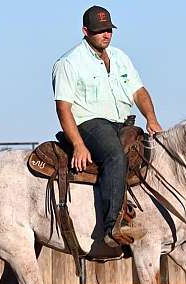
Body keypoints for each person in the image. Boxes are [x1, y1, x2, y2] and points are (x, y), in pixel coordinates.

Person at [52, 5, 162, 247]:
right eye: (100, 30)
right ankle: (114, 225)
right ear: (85, 31)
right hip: (89, 124)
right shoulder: (69, 63)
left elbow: (139, 92)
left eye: (109, 29)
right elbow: (63, 108)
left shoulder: (121, 58)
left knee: (152, 153)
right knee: (114, 155)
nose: (106, 34)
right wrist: (78, 144)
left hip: (122, 123)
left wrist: (151, 118)